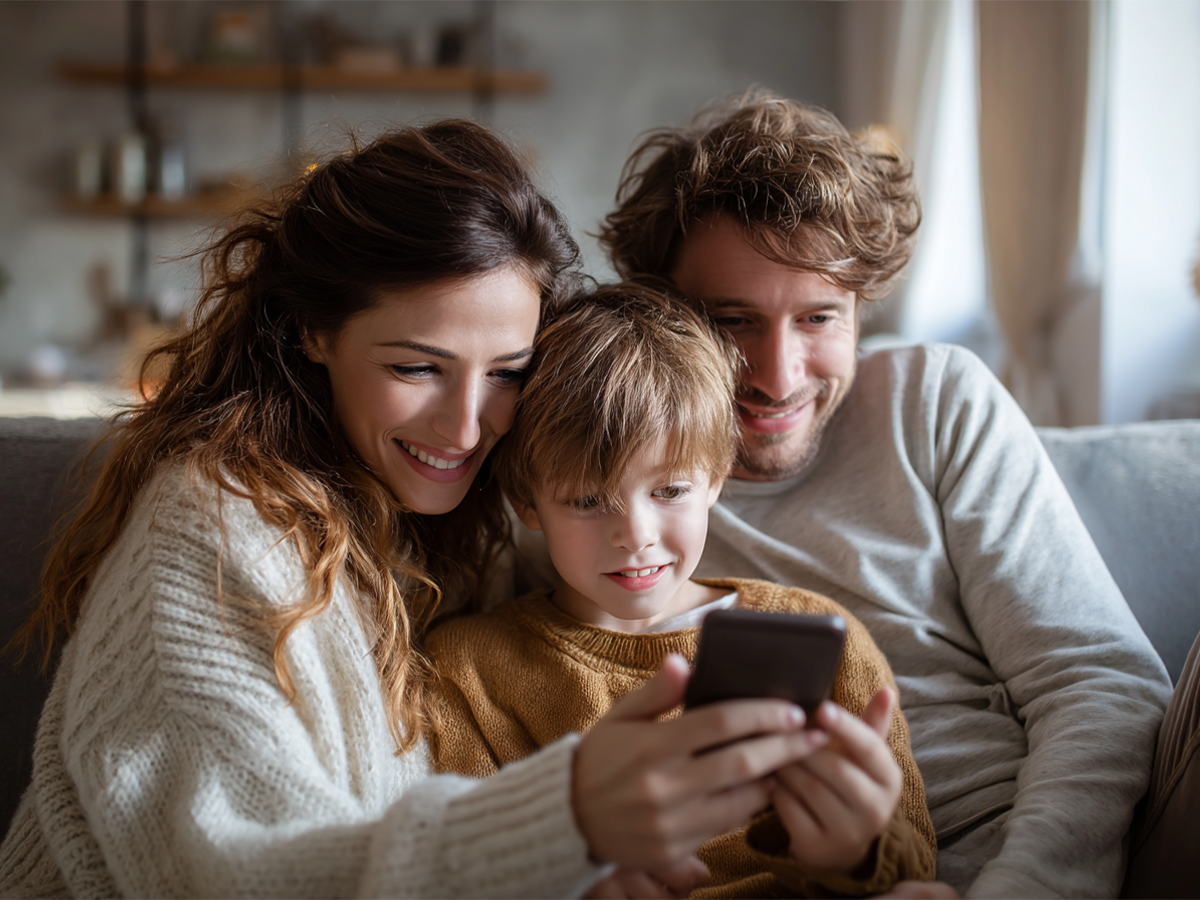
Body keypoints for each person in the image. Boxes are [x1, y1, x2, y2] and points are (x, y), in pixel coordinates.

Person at [0, 121, 825, 899]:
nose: (468, 428)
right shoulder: (215, 532)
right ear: (314, 332)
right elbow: (238, 879)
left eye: (506, 372)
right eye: (418, 368)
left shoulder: (457, 525)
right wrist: (564, 821)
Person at [588, 91, 1175, 899]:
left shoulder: (934, 404)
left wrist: (1023, 886)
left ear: (862, 306)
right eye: (733, 321)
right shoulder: (597, 482)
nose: (779, 375)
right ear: (664, 310)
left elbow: (1098, 680)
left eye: (819, 318)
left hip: (1012, 847)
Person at [425, 283, 937, 900]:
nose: (636, 537)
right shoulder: (469, 671)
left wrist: (856, 850)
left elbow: (914, 860)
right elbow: (472, 869)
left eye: (669, 491)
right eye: (589, 501)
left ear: (717, 477)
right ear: (527, 504)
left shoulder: (819, 635)